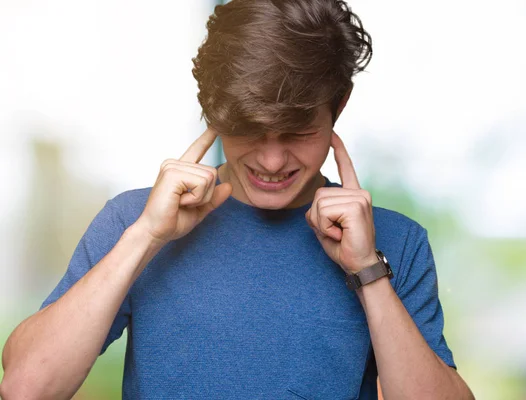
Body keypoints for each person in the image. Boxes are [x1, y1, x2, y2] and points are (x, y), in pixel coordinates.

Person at [0, 0, 474, 399]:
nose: (271, 161)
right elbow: (25, 388)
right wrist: (145, 237)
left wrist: (369, 271)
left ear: (339, 107)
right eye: (248, 129)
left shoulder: (394, 241)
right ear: (214, 112)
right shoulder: (134, 220)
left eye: (296, 132)